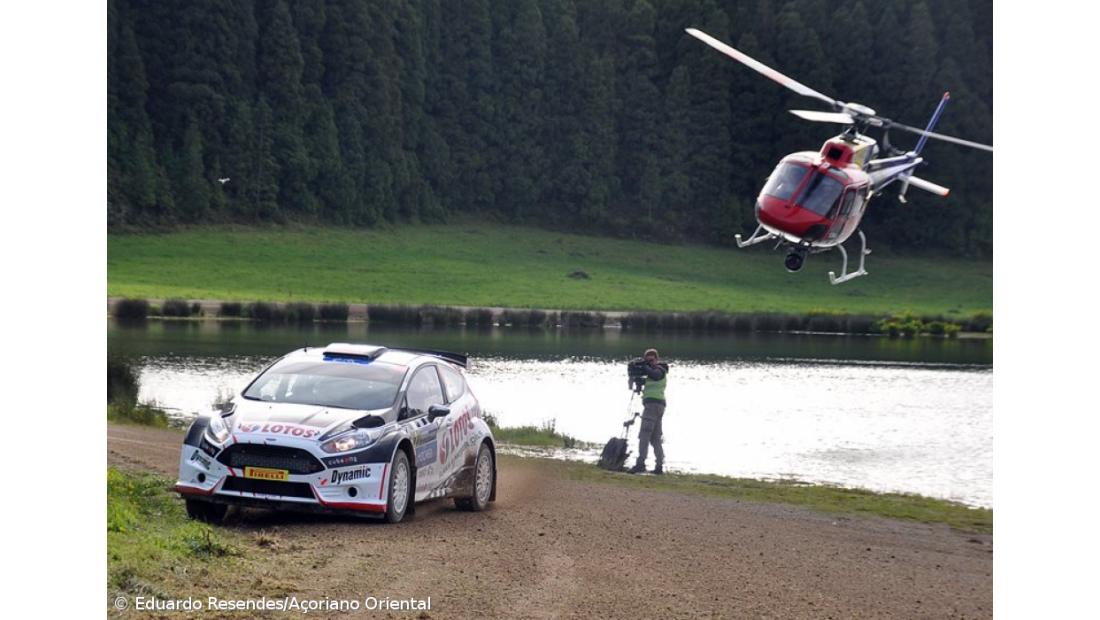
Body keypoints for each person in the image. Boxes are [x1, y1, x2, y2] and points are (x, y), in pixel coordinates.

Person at [629, 348, 667, 475]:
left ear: (657, 359)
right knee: (655, 438)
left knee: (644, 435)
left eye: (651, 360)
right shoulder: (651, 374)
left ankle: (640, 464)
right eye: (647, 360)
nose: (649, 363)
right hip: (657, 406)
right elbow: (639, 382)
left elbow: (655, 375)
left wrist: (644, 366)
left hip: (653, 406)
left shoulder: (660, 370)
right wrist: (633, 377)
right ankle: (659, 466)